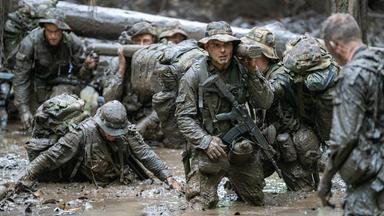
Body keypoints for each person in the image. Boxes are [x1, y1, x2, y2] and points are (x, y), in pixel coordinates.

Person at [176, 21, 274, 209]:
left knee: (256, 201)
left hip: (240, 147)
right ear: (207, 47)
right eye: (216, 45)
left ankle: (236, 185)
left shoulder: (245, 70)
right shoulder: (194, 76)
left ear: (233, 46)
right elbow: (184, 118)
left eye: (227, 45)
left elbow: (265, 102)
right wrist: (205, 141)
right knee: (200, 204)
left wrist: (253, 72)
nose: (222, 51)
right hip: (209, 149)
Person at [18, 100, 181, 191]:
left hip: (114, 175)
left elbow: (145, 154)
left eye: (117, 132)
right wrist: (26, 176)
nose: (113, 135)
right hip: (89, 176)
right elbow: (50, 157)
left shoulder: (127, 131)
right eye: (108, 131)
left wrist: (168, 177)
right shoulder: (80, 134)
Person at [318, 13, 384, 215]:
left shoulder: (352, 76)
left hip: (372, 180)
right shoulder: (380, 63)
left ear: (334, 44)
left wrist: (326, 179)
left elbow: (344, 137)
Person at [239, 27, 320, 191]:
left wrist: (252, 73)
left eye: (253, 54)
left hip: (291, 147)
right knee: (242, 183)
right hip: (268, 143)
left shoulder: (282, 75)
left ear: (265, 55)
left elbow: (266, 98)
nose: (247, 59)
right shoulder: (251, 74)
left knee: (305, 196)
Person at [13, 14, 97, 129]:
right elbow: (21, 78)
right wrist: (23, 109)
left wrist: (87, 67)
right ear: (44, 29)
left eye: (57, 32)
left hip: (61, 86)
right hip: (36, 86)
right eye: (49, 31)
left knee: (57, 122)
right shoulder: (30, 43)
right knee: (37, 123)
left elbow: (81, 77)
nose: (53, 36)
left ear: (62, 31)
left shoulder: (73, 42)